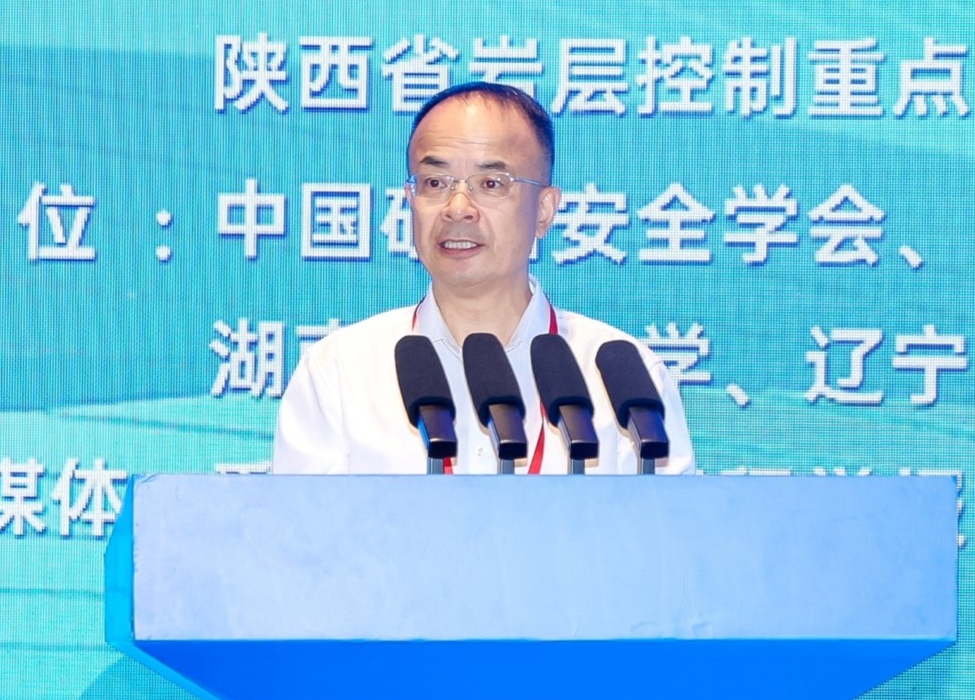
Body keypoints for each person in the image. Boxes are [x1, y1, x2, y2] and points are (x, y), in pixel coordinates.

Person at [272, 82, 695, 475]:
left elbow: (670, 527)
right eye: (435, 182)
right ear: (410, 200)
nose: (457, 208)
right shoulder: (340, 372)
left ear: (544, 210)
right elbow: (299, 528)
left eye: (491, 183)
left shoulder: (625, 384)